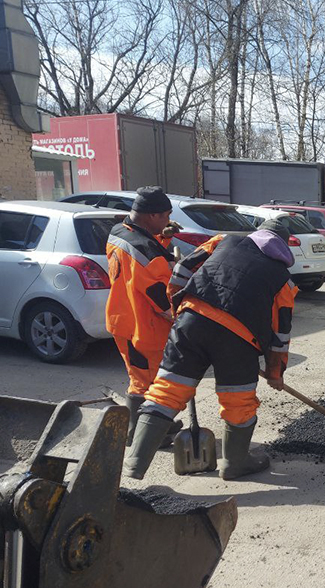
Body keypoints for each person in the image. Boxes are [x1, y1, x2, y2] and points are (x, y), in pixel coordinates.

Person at [122, 218, 298, 482]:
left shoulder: (223, 241)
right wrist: (276, 372)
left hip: (192, 321)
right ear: (284, 247)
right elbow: (280, 335)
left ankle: (135, 463)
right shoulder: (283, 280)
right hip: (239, 338)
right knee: (238, 401)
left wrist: (178, 308)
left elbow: (182, 268)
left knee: (167, 390)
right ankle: (235, 464)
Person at [105, 185, 183, 445]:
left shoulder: (120, 232)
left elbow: (138, 263)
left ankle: (154, 426)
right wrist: (179, 317)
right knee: (144, 381)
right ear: (152, 216)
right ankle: (140, 435)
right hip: (140, 325)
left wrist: (163, 237)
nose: (168, 220)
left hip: (123, 317)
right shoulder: (144, 252)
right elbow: (158, 293)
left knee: (144, 377)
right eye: (166, 216)